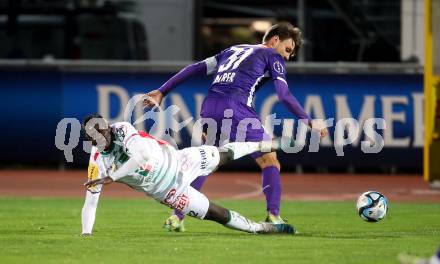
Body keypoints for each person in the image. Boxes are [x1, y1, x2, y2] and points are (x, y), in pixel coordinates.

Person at [143, 22, 328, 231]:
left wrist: (162, 91)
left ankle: (177, 217)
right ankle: (273, 216)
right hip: (237, 108)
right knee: (270, 160)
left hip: (210, 107)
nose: (287, 57)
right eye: (287, 49)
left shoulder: (233, 49)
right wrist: (309, 120)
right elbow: (283, 95)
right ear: (275, 40)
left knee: (206, 162)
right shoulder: (272, 55)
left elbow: (194, 69)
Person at [80, 114, 295, 236]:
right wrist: (86, 234)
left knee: (223, 155)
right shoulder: (97, 161)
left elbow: (142, 155)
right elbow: (91, 202)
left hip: (179, 161)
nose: (101, 137)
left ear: (108, 127)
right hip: (168, 192)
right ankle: (262, 228)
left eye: (103, 131)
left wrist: (114, 177)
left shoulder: (122, 129)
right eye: (95, 136)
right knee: (215, 214)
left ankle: (265, 144)